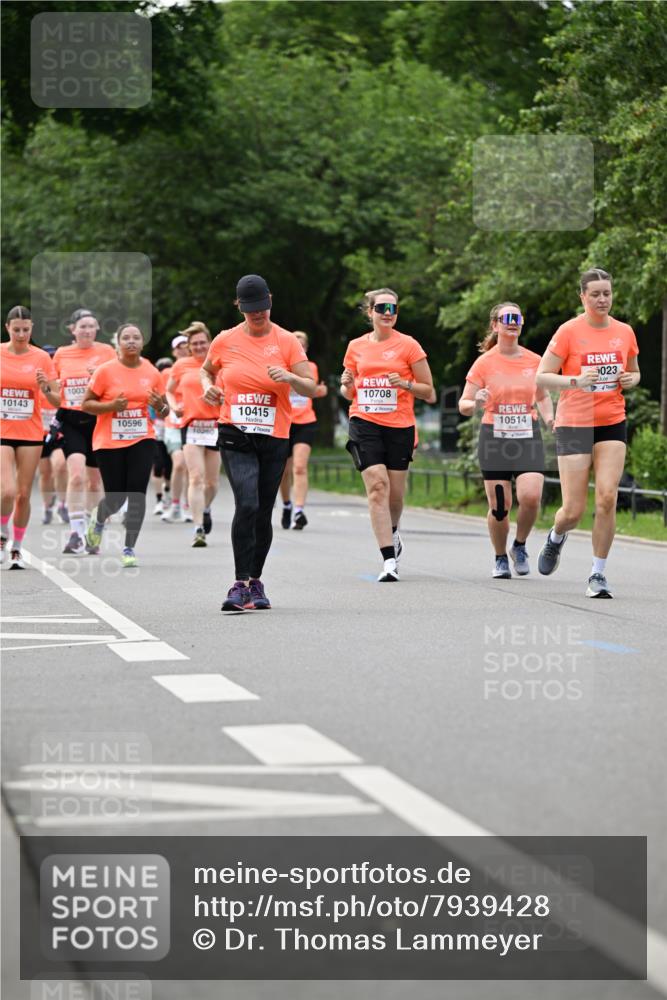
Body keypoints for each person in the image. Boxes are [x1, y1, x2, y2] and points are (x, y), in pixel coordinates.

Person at [201, 274, 315, 610]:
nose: (258, 314)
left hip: (274, 435)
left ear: (270, 301)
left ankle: (255, 581)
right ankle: (240, 583)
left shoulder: (286, 341)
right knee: (247, 503)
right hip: (235, 431)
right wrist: (207, 386)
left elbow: (309, 386)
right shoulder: (225, 340)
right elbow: (206, 370)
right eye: (250, 308)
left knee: (264, 510)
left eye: (262, 307)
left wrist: (290, 377)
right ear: (239, 306)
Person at [535, 268, 640, 598]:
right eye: (595, 294)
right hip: (574, 424)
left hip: (611, 421)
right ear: (582, 296)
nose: (602, 299)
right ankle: (556, 535)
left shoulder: (624, 332)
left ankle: (597, 573)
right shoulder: (569, 331)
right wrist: (575, 381)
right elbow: (542, 376)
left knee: (608, 497)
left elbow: (635, 371)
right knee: (573, 511)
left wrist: (631, 379)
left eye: (607, 293)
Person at [340, 287, 434, 582]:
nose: (388, 314)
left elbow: (428, 391)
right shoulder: (356, 346)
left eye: (393, 309)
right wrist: (347, 385)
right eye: (382, 308)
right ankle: (389, 560)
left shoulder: (409, 345)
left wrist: (405, 384)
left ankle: (392, 531)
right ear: (370, 312)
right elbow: (348, 392)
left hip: (399, 426)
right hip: (364, 421)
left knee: (395, 495)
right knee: (377, 487)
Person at [458, 302, 554, 579]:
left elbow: (542, 396)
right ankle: (500, 557)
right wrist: (476, 401)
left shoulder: (535, 361)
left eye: (517, 318)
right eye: (506, 318)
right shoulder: (484, 363)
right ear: (495, 325)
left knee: (531, 497)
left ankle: (519, 546)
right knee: (500, 508)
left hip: (527, 437)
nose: (512, 322)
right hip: (495, 439)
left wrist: (550, 419)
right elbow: (464, 404)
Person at [81, 324, 169, 567]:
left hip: (142, 438)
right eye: (126, 338)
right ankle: (99, 519)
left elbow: (165, 411)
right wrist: (111, 407)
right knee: (116, 498)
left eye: (136, 337)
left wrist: (160, 406)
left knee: (137, 494)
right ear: (118, 343)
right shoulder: (105, 371)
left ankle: (129, 547)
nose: (131, 341)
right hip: (109, 441)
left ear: (142, 342)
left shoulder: (152, 372)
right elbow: (86, 404)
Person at [1, 306, 60, 568]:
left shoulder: (41, 358)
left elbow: (57, 400)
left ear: (32, 328)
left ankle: (17, 547)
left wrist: (45, 386)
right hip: (2, 430)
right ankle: (2, 534)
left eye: (26, 330)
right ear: (7, 328)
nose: (21, 335)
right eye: (16, 330)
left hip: (30, 432)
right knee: (7, 491)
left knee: (23, 495)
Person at [53, 310, 116, 553]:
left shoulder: (107, 352)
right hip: (71, 420)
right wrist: (48, 389)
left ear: (97, 328)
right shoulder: (62, 354)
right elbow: (53, 389)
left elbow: (117, 385)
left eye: (91, 326)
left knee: (94, 481)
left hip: (98, 421)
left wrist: (97, 379)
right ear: (73, 329)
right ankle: (75, 533)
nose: (87, 330)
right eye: (82, 326)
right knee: (77, 475)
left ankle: (94, 530)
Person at [166, 322, 221, 547]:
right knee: (196, 477)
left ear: (210, 343)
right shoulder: (181, 365)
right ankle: (198, 528)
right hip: (191, 425)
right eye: (194, 344)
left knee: (212, 483)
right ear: (189, 346)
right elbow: (169, 390)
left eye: (202, 343)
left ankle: (205, 508)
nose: (199, 347)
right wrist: (174, 406)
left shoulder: (219, 364)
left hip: (216, 426)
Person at [279, 330, 328, 530]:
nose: (299, 348)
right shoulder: (280, 366)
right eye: (295, 344)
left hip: (305, 422)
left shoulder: (312, 367)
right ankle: (286, 505)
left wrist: (318, 392)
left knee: (299, 467)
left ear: (306, 348)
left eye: (302, 345)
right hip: (283, 422)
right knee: (283, 471)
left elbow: (311, 390)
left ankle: (299, 511)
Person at [161, 334, 190, 523]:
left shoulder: (198, 369)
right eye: (179, 346)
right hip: (172, 424)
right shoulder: (167, 373)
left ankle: (187, 505)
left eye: (186, 345)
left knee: (189, 467)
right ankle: (175, 504)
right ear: (174, 351)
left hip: (193, 423)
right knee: (179, 463)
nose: (183, 348)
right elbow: (160, 396)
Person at [38, 345, 68, 524]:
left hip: (57, 433)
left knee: (61, 466)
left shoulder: (61, 381)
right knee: (45, 473)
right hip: (39, 433)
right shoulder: (35, 381)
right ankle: (47, 506)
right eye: (47, 357)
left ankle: (62, 505)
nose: (50, 361)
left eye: (53, 357)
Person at [150, 357, 173, 515]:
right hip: (157, 431)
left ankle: (168, 493)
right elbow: (152, 412)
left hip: (172, 430)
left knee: (170, 465)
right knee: (158, 465)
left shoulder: (175, 387)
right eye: (162, 369)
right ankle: (159, 500)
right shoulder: (153, 388)